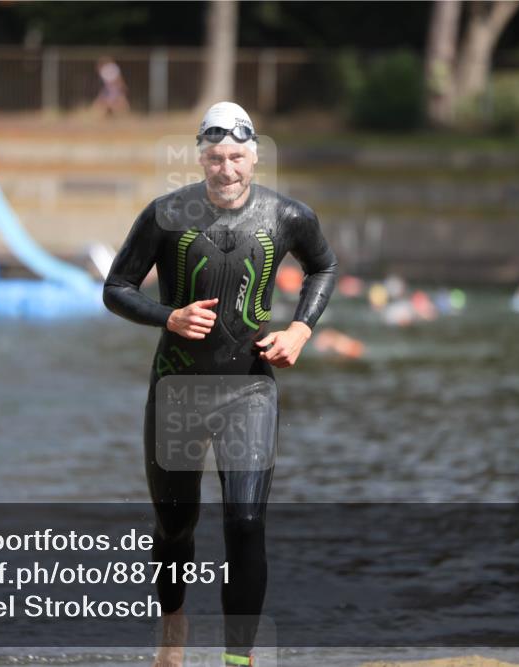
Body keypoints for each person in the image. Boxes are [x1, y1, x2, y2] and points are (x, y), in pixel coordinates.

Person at [103, 101, 337, 667]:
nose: (226, 169)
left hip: (249, 389)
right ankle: (172, 633)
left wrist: (301, 330)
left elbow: (323, 267)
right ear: (200, 158)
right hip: (177, 388)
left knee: (247, 521)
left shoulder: (287, 217)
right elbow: (116, 287)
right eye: (215, 158)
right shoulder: (166, 214)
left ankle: (239, 660)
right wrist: (169, 318)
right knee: (176, 524)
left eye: (236, 157)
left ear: (254, 157)